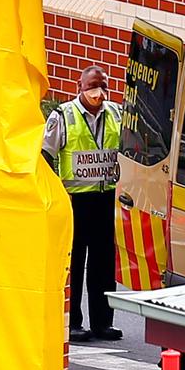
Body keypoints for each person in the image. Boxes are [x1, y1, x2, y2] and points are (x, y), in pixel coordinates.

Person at [42, 66, 123, 342]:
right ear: (80, 86)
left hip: (105, 200)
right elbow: (45, 155)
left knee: (103, 266)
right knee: (74, 265)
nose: (97, 93)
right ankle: (73, 323)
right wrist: (56, 192)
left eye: (102, 87)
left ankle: (102, 323)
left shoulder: (116, 114)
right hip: (75, 202)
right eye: (91, 87)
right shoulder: (63, 116)